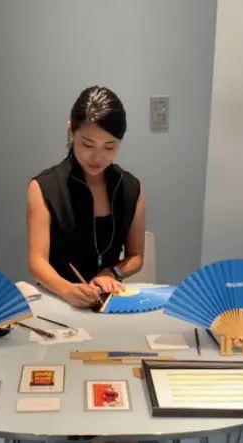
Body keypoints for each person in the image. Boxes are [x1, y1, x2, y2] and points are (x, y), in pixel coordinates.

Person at [27, 86, 145, 308]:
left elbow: (136, 256)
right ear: (71, 132)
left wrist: (111, 272)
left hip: (109, 301)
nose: (97, 157)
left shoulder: (130, 187)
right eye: (88, 144)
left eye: (109, 147)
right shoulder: (44, 187)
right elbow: (37, 262)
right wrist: (68, 290)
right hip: (58, 301)